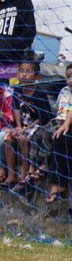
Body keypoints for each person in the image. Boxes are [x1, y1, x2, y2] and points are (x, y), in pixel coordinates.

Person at [8, 58, 53, 194]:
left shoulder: (40, 93)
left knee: (23, 139)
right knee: (7, 139)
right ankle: (10, 175)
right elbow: (16, 109)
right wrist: (19, 126)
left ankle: (25, 174)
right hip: (24, 125)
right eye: (21, 71)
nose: (24, 74)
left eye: (28, 71)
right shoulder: (17, 89)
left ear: (36, 76)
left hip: (38, 125)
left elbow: (43, 118)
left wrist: (25, 130)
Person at [46, 65, 72, 204]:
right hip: (66, 121)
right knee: (58, 137)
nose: (71, 79)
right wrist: (65, 124)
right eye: (68, 76)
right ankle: (58, 182)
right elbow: (68, 109)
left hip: (68, 122)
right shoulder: (65, 91)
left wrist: (66, 124)